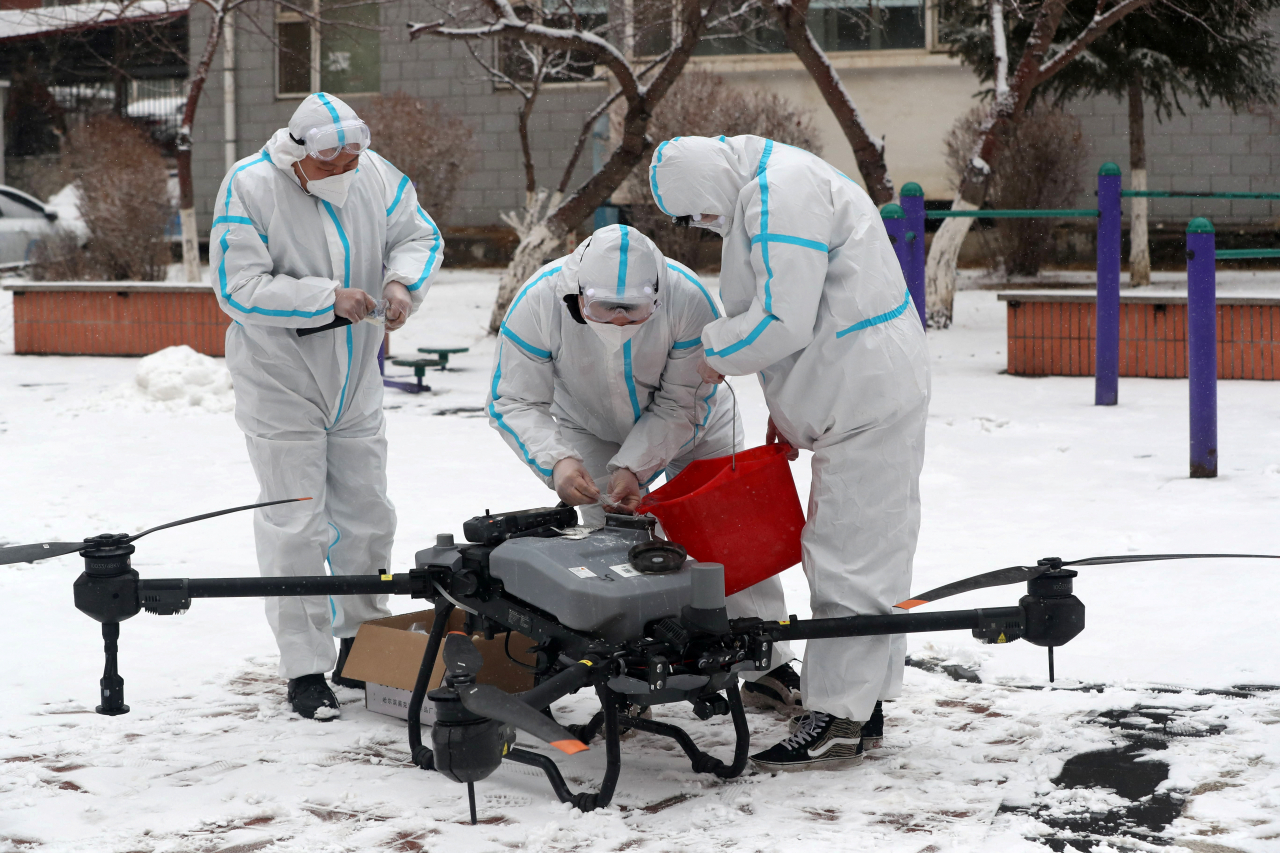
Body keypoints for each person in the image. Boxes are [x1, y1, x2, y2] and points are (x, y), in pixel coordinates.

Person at [649, 135, 930, 771]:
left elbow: (781, 320)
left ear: (707, 182)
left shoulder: (781, 193)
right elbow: (809, 307)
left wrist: (709, 355)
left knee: (849, 557)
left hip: (864, 395)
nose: (702, 225)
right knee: (864, 554)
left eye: (697, 213)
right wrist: (786, 408)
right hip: (853, 392)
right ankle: (859, 705)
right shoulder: (772, 186)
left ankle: (838, 715)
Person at [486, 224, 800, 706]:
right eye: (603, 309)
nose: (616, 322)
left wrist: (633, 466)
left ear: (656, 296)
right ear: (578, 293)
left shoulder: (688, 298)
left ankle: (767, 666)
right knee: (609, 552)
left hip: (696, 427)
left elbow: (680, 403)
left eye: (631, 311)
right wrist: (560, 463)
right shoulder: (538, 301)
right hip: (586, 428)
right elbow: (515, 400)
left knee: (729, 537)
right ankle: (627, 671)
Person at [210, 92, 443, 720]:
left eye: (353, 163)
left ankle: (361, 645)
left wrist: (401, 282)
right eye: (332, 165)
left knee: (366, 513)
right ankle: (306, 668)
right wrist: (324, 300)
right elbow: (239, 287)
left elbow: (418, 234)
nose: (346, 174)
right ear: (299, 153)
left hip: (356, 377)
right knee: (294, 522)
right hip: (280, 377)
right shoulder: (251, 186)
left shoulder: (377, 174)